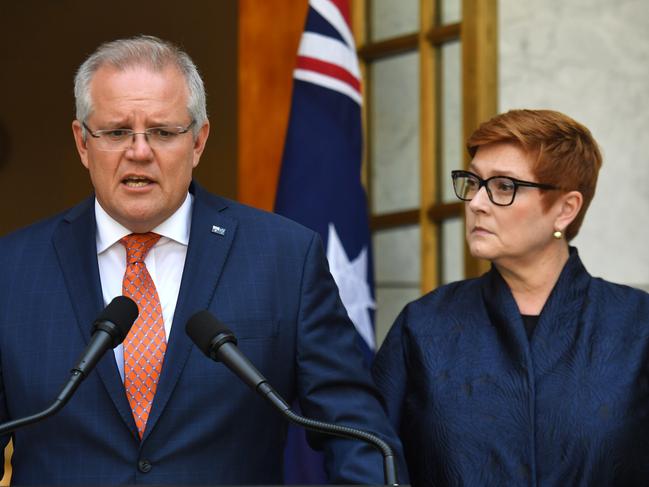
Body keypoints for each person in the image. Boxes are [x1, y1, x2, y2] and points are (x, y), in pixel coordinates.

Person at [0, 35, 406, 485]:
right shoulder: (11, 270)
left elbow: (359, 440)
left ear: (198, 141)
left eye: (163, 132)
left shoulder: (284, 259)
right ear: (82, 143)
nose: (139, 151)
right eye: (116, 132)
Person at [372, 109, 649, 486]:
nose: (476, 203)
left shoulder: (638, 328)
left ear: (565, 210)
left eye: (504, 186)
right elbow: (370, 460)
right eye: (473, 182)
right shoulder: (423, 326)